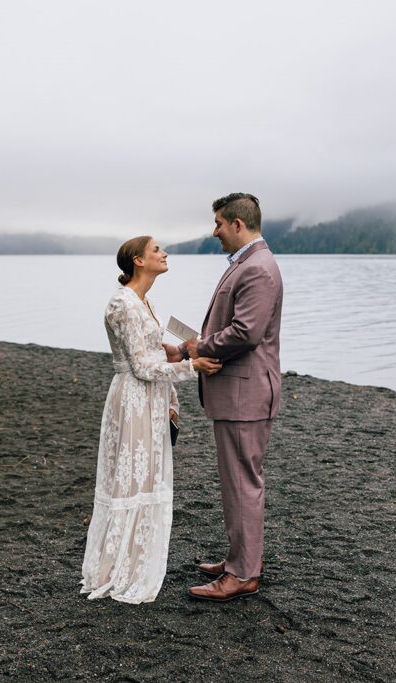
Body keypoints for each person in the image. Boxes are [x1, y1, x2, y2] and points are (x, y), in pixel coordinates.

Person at [80, 236, 221, 603]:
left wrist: (176, 349)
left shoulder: (143, 300)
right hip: (133, 398)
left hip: (151, 398)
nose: (164, 254)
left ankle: (134, 557)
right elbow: (141, 367)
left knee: (144, 477)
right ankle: (120, 567)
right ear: (138, 261)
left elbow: (150, 349)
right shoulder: (123, 304)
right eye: (157, 250)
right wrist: (193, 367)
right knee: (131, 480)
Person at [165, 193, 284, 601]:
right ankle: (241, 558)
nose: (214, 231)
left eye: (218, 223)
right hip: (239, 392)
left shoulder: (259, 269)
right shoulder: (247, 264)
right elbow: (229, 328)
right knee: (237, 482)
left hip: (246, 393)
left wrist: (199, 349)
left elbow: (246, 332)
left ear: (237, 224)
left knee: (242, 482)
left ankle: (243, 574)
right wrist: (183, 350)